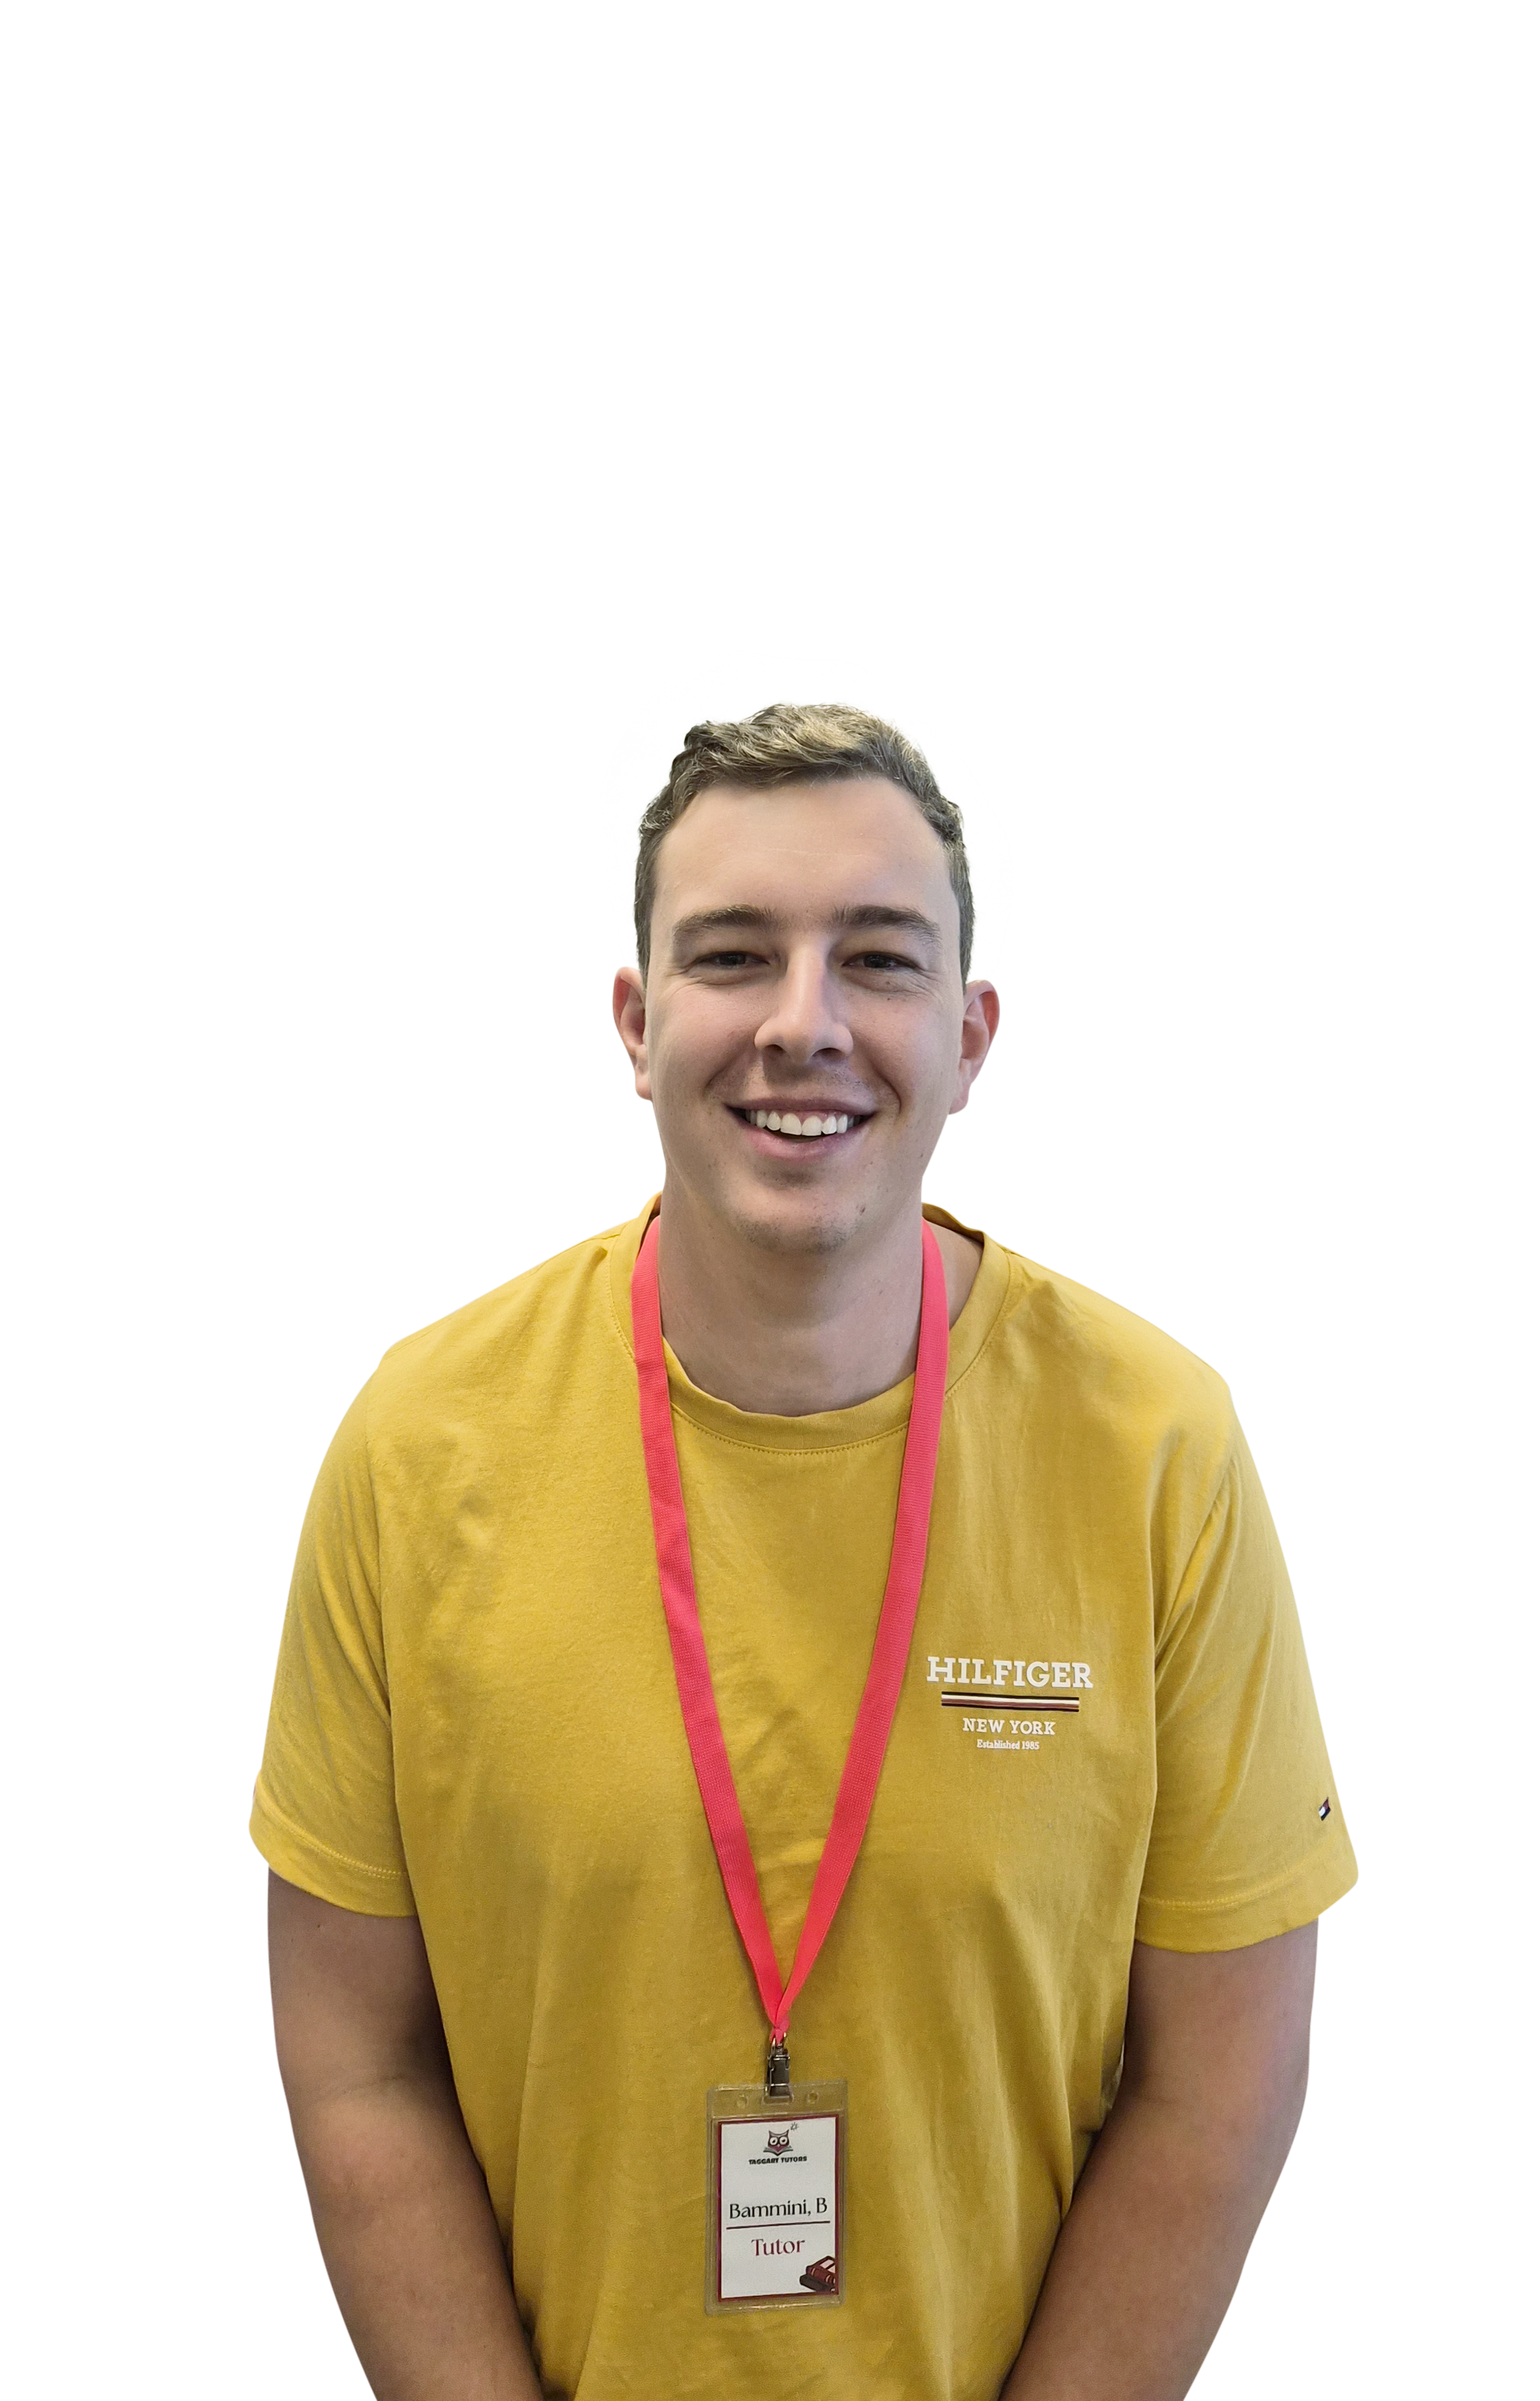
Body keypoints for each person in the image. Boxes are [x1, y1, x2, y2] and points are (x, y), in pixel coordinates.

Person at [253, 700, 1357, 2400]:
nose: (801, 1022)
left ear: (972, 1034)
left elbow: (1224, 2070)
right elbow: (352, 2053)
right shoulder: (419, 1443)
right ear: (633, 1025)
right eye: (732, 954)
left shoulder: (1154, 1448)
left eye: (879, 959)